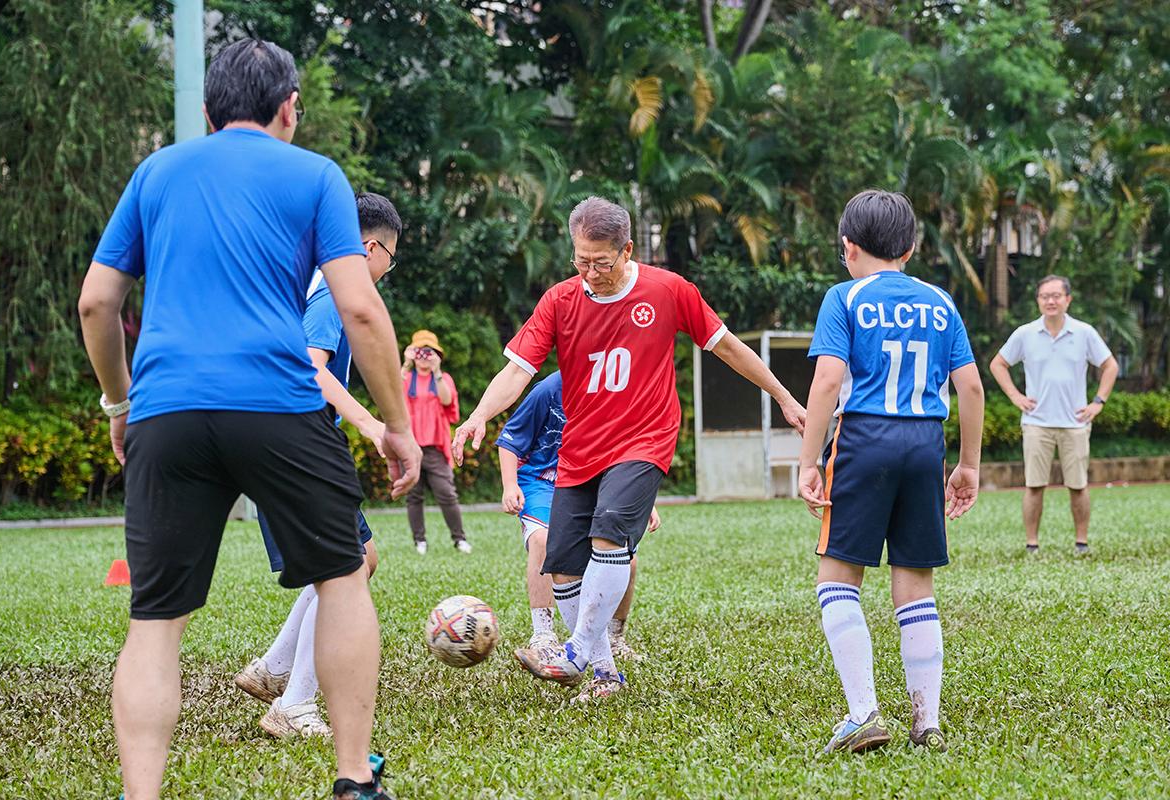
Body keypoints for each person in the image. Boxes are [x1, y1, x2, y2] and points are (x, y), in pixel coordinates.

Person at [78, 39, 419, 800]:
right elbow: (360, 306)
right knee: (342, 575)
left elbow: (97, 303)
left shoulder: (156, 170)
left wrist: (119, 403)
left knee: (156, 620)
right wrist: (397, 426)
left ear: (207, 112)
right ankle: (354, 780)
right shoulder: (317, 176)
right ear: (290, 108)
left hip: (165, 412)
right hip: (278, 406)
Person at [453, 196, 806, 701]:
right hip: (580, 448)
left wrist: (785, 399)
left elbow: (728, 347)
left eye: (601, 261)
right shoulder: (559, 300)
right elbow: (517, 370)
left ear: (627, 250)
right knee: (564, 564)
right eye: (580, 260)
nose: (590, 272)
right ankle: (603, 674)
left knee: (610, 539)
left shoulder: (668, 290)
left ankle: (573, 651)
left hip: (645, 438)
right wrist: (478, 416)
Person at [797, 189, 984, 755]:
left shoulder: (845, 296)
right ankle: (926, 721)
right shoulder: (940, 301)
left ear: (848, 247)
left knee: (838, 577)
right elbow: (970, 386)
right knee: (915, 582)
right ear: (910, 247)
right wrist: (969, 464)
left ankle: (862, 714)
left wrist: (809, 461)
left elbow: (828, 381)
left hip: (864, 440)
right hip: (926, 443)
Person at [234, 192, 401, 739]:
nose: (385, 272)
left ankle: (274, 668)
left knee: (361, 558)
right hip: (294, 442)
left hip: (285, 439)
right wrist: (373, 425)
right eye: (389, 260)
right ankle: (294, 703)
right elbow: (313, 371)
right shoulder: (333, 290)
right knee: (343, 571)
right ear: (369, 247)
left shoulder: (303, 275)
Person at [495, 370, 660, 688]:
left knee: (625, 558)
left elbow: (625, 452)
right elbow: (510, 439)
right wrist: (509, 485)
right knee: (543, 540)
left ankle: (614, 638)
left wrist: (641, 499)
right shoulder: (549, 390)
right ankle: (543, 635)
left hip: (590, 480)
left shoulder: (616, 387)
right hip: (542, 482)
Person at [989, 275, 1118, 555]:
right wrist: (1015, 396)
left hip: (1075, 423)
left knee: (1078, 486)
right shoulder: (1025, 333)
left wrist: (1098, 401)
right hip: (1037, 423)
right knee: (1034, 486)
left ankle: (1081, 543)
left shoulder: (1084, 333)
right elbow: (998, 364)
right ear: (1038, 301)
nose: (1051, 301)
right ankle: (1032, 544)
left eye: (1056, 295)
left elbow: (1110, 366)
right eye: (1045, 296)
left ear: (1068, 299)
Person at [402, 330, 470, 554]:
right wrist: (405, 364)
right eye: (419, 351)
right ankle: (419, 541)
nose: (424, 356)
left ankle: (459, 539)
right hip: (410, 447)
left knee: (447, 493)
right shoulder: (407, 378)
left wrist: (437, 370)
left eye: (428, 351)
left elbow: (447, 400)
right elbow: (393, 396)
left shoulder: (443, 378)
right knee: (414, 495)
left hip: (436, 448)